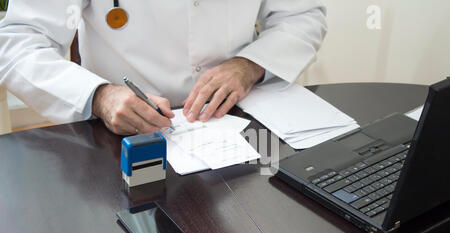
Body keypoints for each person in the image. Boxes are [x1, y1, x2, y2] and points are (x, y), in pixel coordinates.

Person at [0, 1, 327, 135]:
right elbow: (19, 41)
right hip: (121, 134)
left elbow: (302, 15)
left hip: (238, 125)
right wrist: (100, 97)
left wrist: (249, 64)